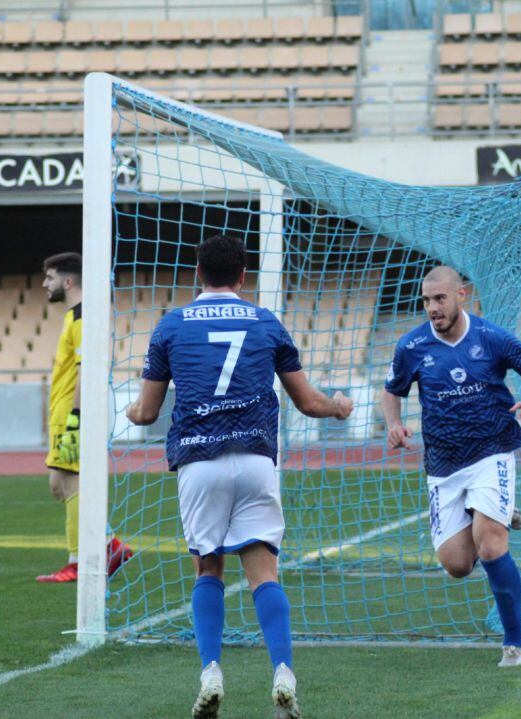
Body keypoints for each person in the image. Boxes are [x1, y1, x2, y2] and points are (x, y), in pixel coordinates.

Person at [126, 234, 353, 719]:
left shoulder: (171, 325)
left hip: (199, 461)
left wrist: (130, 409)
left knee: (208, 569)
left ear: (197, 271)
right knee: (264, 573)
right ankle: (284, 672)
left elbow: (146, 413)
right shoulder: (265, 321)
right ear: (243, 276)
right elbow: (309, 403)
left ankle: (211, 671)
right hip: (255, 458)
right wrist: (339, 407)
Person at [380, 266, 521, 668]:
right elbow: (391, 391)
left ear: (462, 294)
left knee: (491, 543)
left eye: (440, 298)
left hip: (491, 450)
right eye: (426, 300)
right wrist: (393, 423)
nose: (432, 308)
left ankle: (514, 644)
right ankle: (493, 509)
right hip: (443, 464)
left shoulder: (490, 337)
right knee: (457, 565)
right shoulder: (411, 346)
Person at [37, 253, 132, 583]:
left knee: (68, 483)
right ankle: (108, 544)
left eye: (49, 277)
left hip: (72, 415)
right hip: (64, 414)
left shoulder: (81, 319)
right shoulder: (72, 317)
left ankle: (80, 561)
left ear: (67, 281)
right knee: (61, 485)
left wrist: (76, 417)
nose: (44, 284)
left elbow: (85, 371)